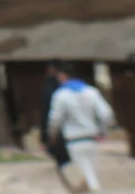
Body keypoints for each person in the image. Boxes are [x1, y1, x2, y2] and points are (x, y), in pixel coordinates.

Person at [45, 62, 118, 192]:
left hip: (74, 139)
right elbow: (107, 114)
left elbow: (55, 119)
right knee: (91, 173)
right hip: (92, 138)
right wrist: (103, 131)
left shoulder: (61, 95)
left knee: (87, 176)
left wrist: (52, 135)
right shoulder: (91, 92)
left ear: (63, 76)